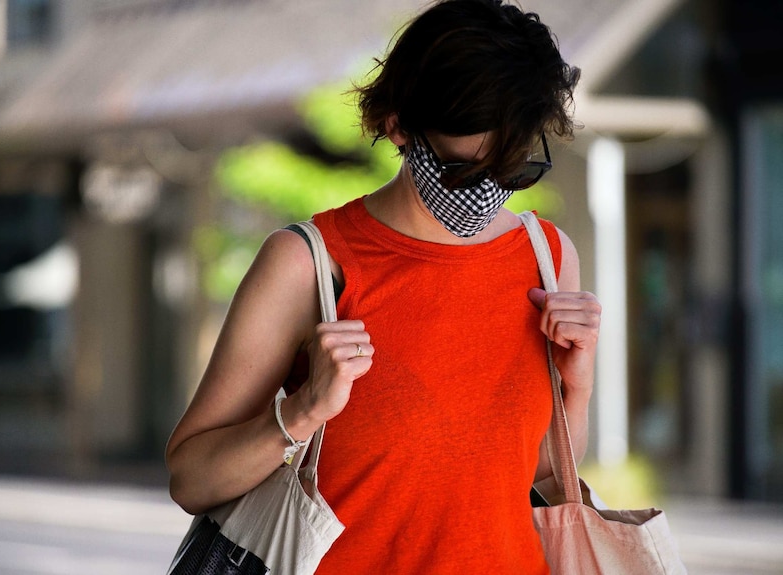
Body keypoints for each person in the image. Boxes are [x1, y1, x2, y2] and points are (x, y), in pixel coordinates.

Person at [166, 0, 601, 572]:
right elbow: (190, 477)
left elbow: (531, 476)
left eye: (512, 169)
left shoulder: (547, 259)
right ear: (396, 125)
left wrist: (578, 389)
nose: (487, 191)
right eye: (461, 172)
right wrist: (302, 413)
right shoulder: (308, 266)